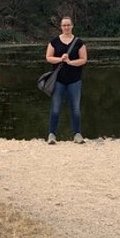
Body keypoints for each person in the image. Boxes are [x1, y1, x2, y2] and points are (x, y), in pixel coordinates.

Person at [45, 16, 88, 144]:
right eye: (64, 25)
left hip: (75, 80)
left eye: (68, 25)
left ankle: (77, 134)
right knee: (56, 108)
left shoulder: (79, 42)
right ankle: (52, 134)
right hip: (58, 81)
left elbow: (83, 60)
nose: (66, 27)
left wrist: (70, 62)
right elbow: (48, 57)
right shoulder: (54, 42)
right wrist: (60, 59)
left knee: (75, 108)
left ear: (72, 26)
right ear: (61, 27)